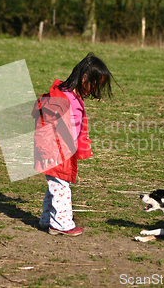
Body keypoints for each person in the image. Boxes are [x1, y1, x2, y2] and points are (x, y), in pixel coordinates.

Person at [32, 53, 113, 236]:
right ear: (84, 78)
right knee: (61, 186)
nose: (94, 89)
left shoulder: (74, 96)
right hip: (55, 151)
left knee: (55, 185)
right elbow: (45, 118)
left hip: (63, 151)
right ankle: (62, 224)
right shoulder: (62, 97)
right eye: (94, 84)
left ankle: (47, 220)